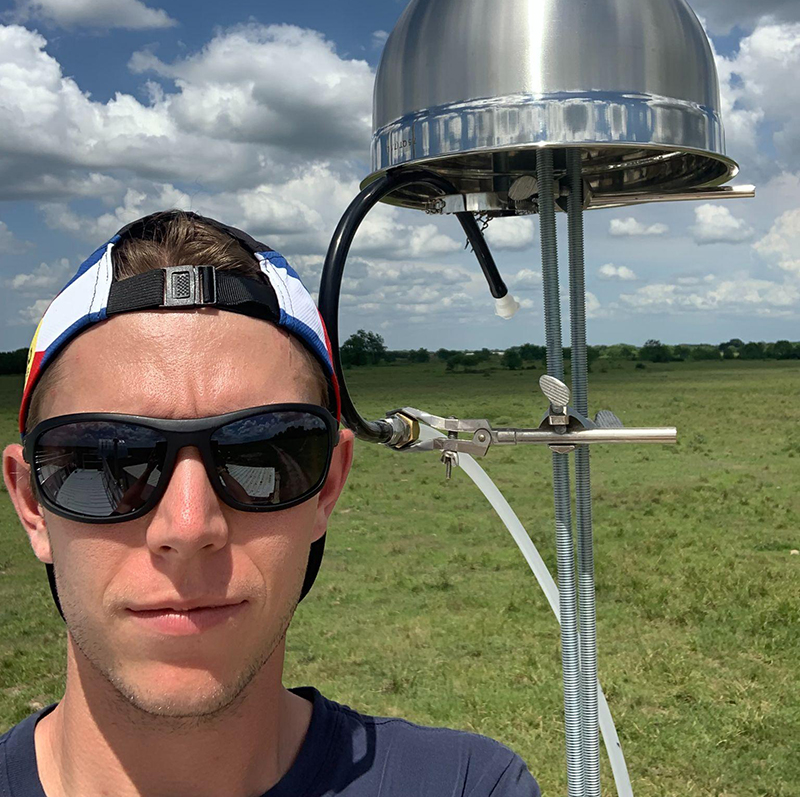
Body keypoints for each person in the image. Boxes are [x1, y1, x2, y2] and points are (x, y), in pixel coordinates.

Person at [2, 210, 540, 797]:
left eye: (259, 449)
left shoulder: (466, 787)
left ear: (327, 486)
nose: (188, 526)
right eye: (106, 460)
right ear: (31, 502)